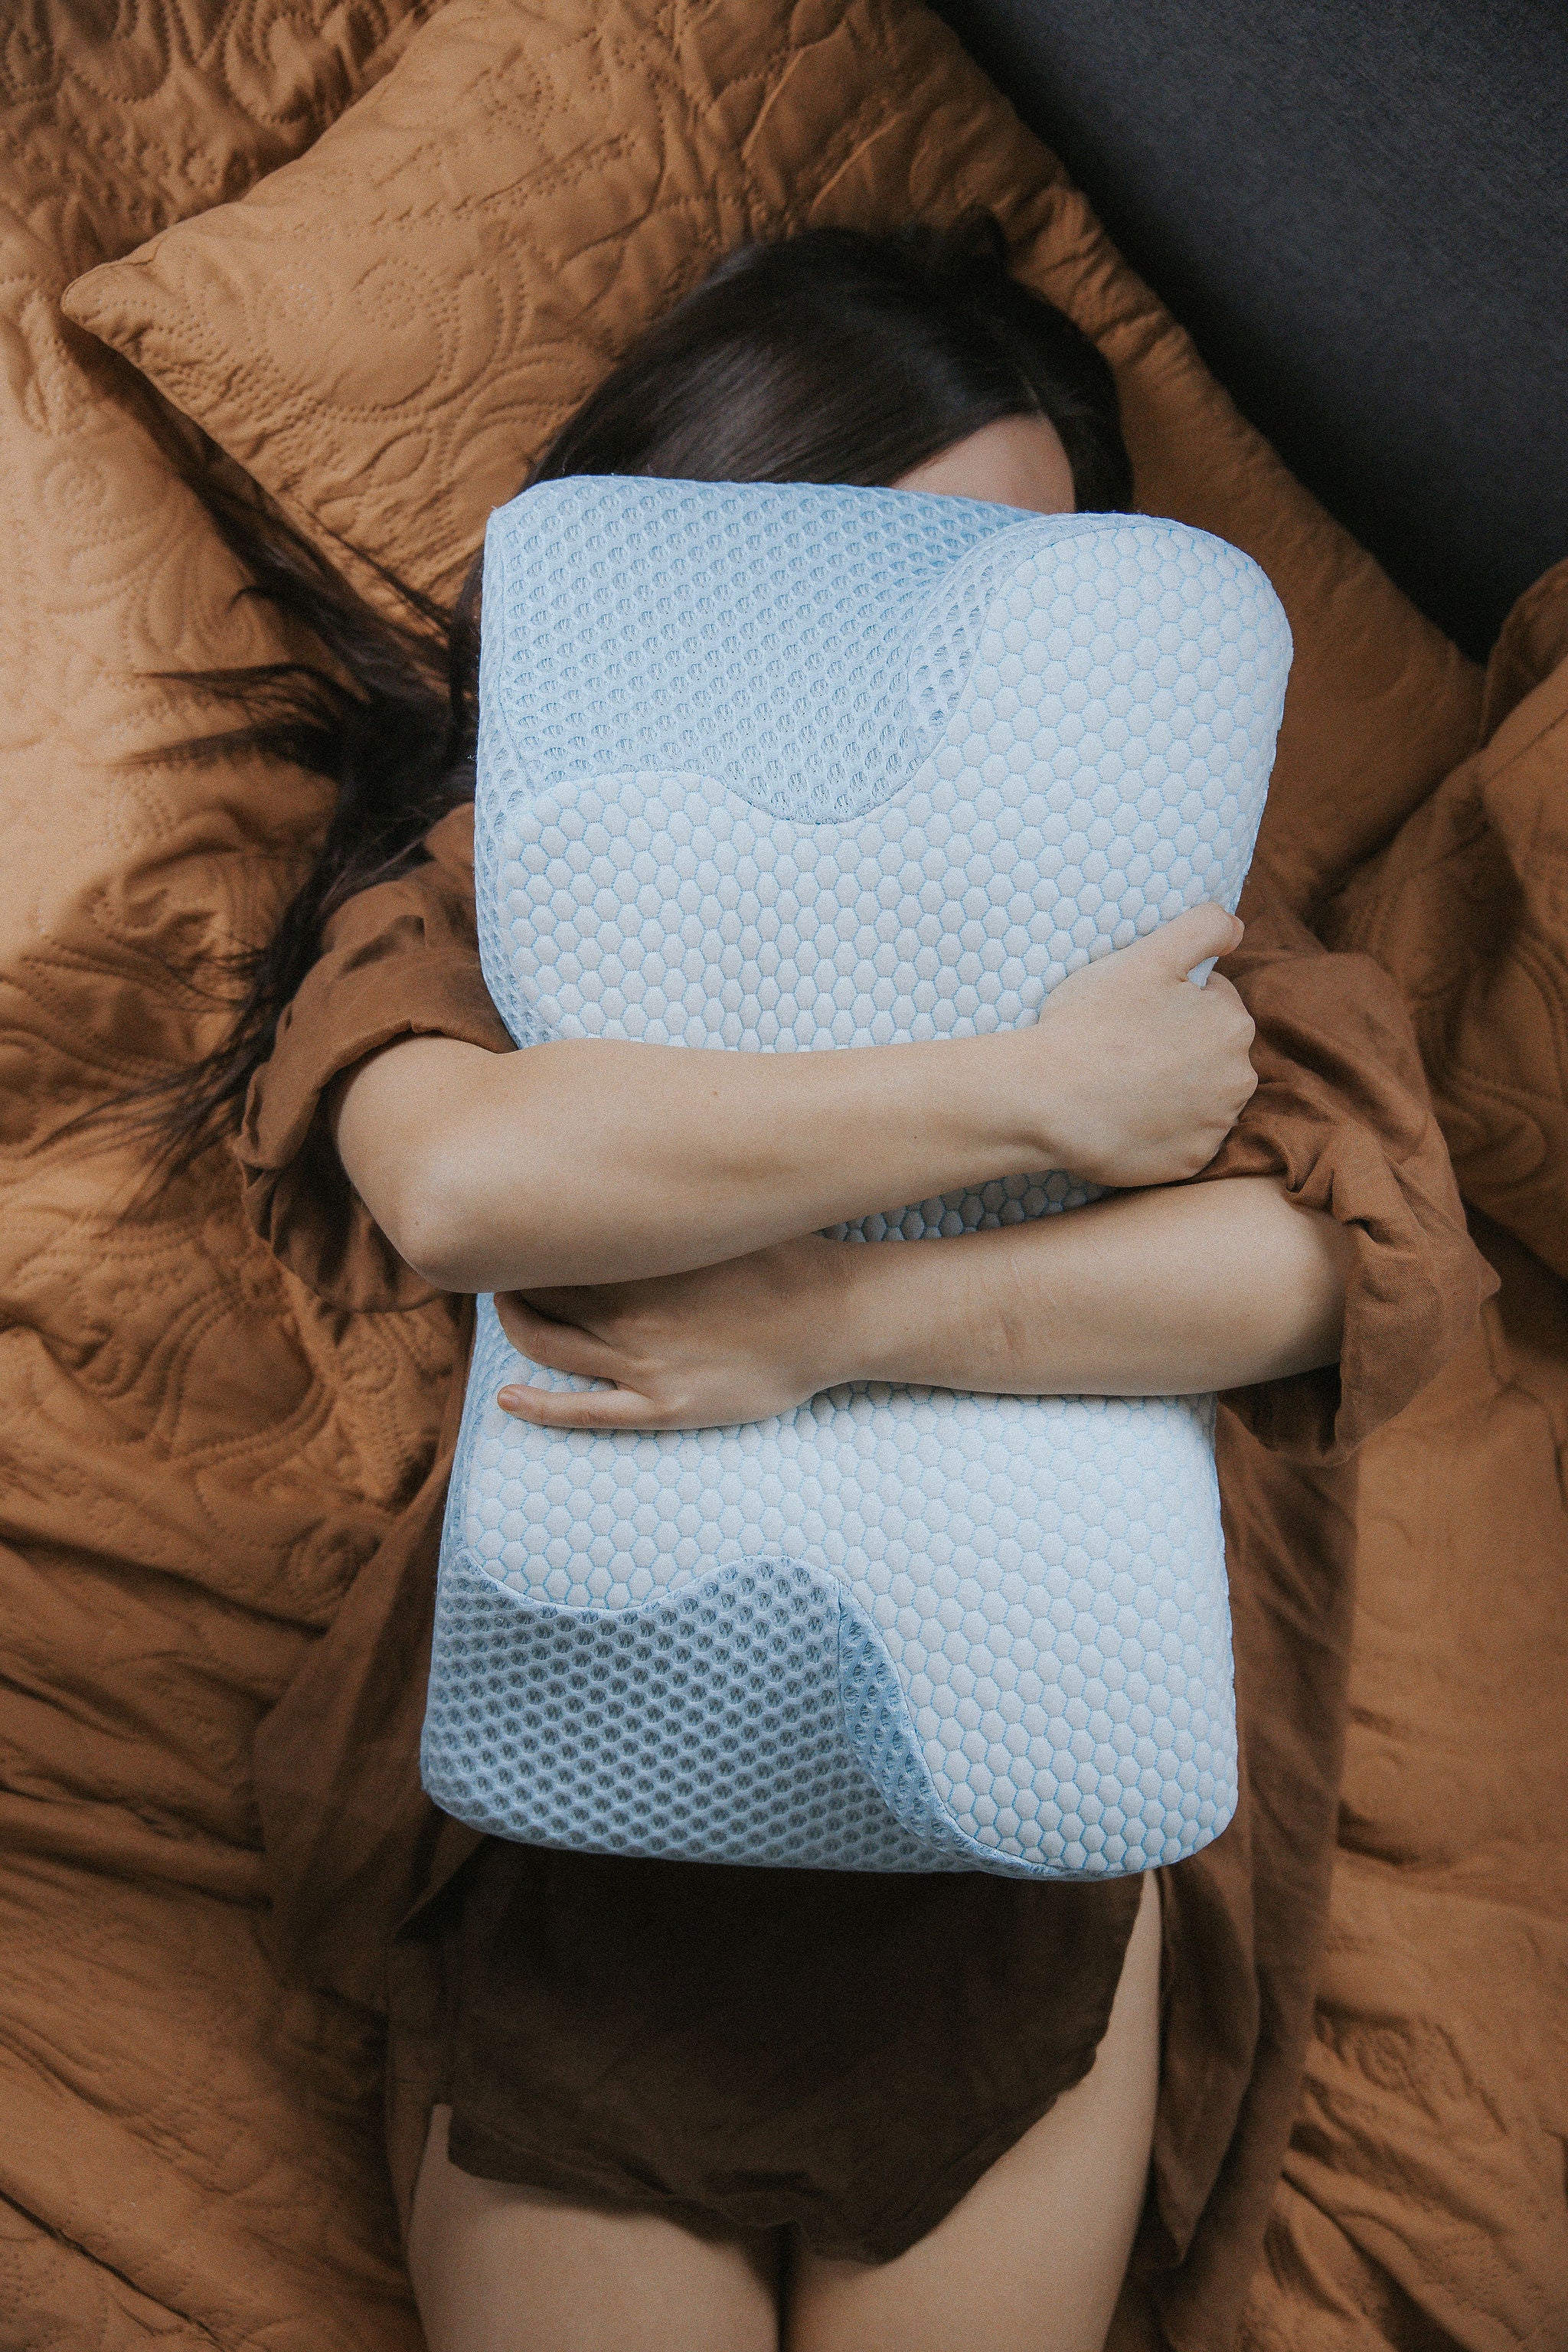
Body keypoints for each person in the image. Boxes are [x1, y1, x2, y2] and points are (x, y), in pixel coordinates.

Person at [154, 217, 1489, 2351]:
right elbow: (474, 1185)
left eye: (1031, 611)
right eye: (898, 585)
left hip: (1011, 1842)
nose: (973, 679)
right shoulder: (511, 879)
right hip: (591, 1808)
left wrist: (826, 1327)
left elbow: (1337, 1273)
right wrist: (1034, 1097)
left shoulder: (1172, 932)